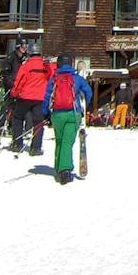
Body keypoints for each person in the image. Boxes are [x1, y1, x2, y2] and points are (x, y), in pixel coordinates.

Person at [43, 56, 93, 185]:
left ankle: (58, 166)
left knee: (59, 141)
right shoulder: (77, 79)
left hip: (57, 115)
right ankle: (65, 170)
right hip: (72, 113)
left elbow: (47, 96)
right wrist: (83, 106)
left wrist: (45, 113)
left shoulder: (53, 79)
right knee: (67, 142)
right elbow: (88, 92)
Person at [7, 51, 53, 155]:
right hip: (40, 97)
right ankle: (36, 147)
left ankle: (17, 143)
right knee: (38, 122)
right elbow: (51, 77)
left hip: (25, 96)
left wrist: (14, 93)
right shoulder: (46, 66)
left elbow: (19, 81)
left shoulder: (26, 66)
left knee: (18, 118)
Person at [0, 41, 28, 137]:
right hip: (10, 85)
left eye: (26, 46)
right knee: (7, 105)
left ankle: (12, 126)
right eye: (23, 46)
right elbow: (5, 73)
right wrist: (11, 83)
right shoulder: (11, 58)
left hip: (20, 86)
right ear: (18, 47)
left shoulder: (25, 58)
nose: (25, 48)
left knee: (17, 107)